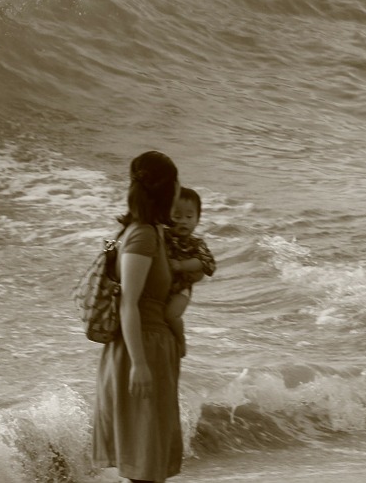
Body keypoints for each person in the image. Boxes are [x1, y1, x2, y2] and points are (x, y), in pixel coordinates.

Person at [92, 151, 184, 483]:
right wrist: (140, 363)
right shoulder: (142, 235)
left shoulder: (152, 232)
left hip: (150, 349)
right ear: (167, 188)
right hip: (139, 352)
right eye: (176, 182)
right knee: (144, 469)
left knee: (147, 468)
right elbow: (127, 304)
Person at [163, 187, 216, 357]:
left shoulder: (197, 244)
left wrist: (182, 265)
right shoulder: (162, 235)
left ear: (197, 219)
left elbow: (207, 263)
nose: (183, 221)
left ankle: (180, 340)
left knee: (171, 315)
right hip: (161, 287)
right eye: (177, 216)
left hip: (182, 289)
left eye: (189, 217)